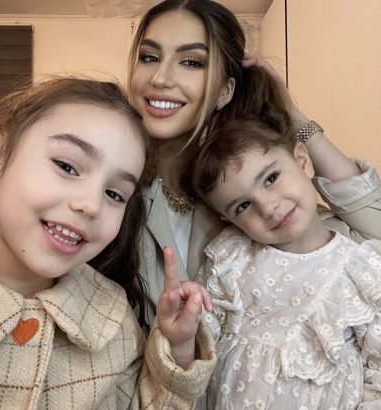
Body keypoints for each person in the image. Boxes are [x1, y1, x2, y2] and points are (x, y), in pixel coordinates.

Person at [0, 76, 217, 409]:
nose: (91, 205)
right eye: (67, 166)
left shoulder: (111, 314)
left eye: (115, 194)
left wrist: (179, 347)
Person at [127, 0, 381, 320]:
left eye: (191, 62)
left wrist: (292, 113)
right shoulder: (116, 191)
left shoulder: (249, 189)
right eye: (149, 57)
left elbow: (374, 229)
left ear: (225, 91)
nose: (160, 78)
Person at [191, 117, 381, 409]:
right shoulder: (231, 259)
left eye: (270, 179)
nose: (268, 208)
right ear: (228, 219)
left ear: (302, 160)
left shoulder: (360, 269)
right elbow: (200, 344)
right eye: (243, 205)